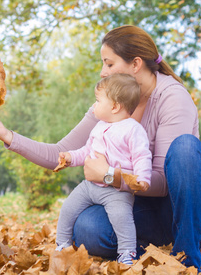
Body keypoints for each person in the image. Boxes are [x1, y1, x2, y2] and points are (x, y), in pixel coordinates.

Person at [0, 25, 201, 271]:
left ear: (135, 64)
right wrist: (6, 134)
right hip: (149, 211)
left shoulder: (172, 97)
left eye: (109, 63)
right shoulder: (110, 104)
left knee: (186, 147)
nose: (102, 72)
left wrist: (109, 175)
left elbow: (160, 184)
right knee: (87, 228)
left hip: (191, 207)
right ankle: (146, 255)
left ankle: (186, 259)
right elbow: (60, 152)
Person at [54, 73, 152, 265]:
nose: (94, 105)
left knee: (121, 219)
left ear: (115, 106)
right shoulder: (99, 127)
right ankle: (62, 243)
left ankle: (127, 253)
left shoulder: (133, 129)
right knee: (68, 208)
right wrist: (70, 157)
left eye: (98, 101)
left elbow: (142, 156)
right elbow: (87, 151)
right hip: (90, 186)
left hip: (116, 191)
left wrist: (143, 178)